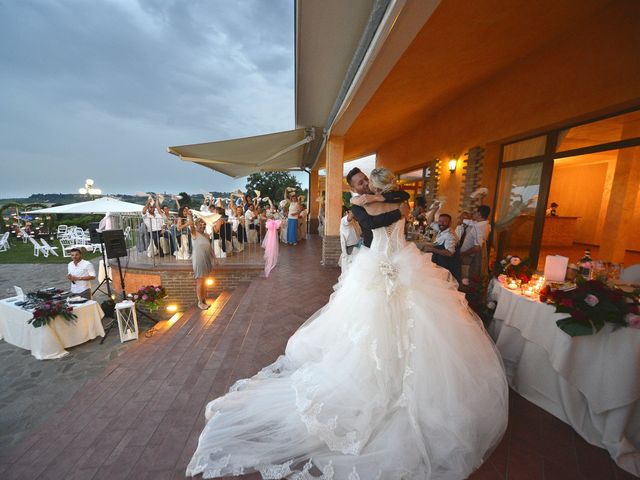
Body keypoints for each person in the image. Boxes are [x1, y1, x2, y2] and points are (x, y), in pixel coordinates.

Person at [186, 168, 508, 480]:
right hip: (380, 263)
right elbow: (372, 225)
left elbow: (392, 205)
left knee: (414, 327)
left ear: (375, 182)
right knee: (372, 329)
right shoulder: (366, 203)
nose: (364, 184)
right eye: (358, 182)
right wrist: (373, 204)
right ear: (357, 187)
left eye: (366, 180)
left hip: (400, 263)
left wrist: (378, 201)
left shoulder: (391, 197)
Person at [347, 167, 410, 247]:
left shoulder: (386, 194)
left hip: (399, 247)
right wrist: (398, 213)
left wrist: (377, 197)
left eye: (366, 178)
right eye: (361, 183)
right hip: (372, 250)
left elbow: (405, 195)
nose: (366, 183)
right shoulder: (357, 207)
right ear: (353, 190)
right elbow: (371, 223)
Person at [421, 210, 460, 281]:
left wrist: (432, 249)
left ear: (450, 223)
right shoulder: (441, 229)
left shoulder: (450, 236)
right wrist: (434, 209)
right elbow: (430, 222)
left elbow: (450, 253)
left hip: (444, 267)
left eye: (444, 221)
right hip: (438, 262)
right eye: (440, 221)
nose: (441, 223)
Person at [188, 212, 214, 310]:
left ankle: (204, 300)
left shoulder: (207, 235)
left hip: (207, 259)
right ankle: (200, 302)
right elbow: (191, 225)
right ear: (197, 225)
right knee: (200, 280)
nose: (202, 226)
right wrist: (190, 216)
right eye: (200, 224)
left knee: (205, 281)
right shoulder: (195, 234)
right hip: (199, 259)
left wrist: (215, 259)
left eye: (204, 224)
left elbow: (210, 248)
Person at [460, 205, 492, 281]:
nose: (473, 214)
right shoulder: (482, 224)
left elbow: (477, 248)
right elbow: (465, 220)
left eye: (475, 212)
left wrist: (462, 254)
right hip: (467, 254)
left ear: (479, 214)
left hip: (468, 255)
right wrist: (464, 213)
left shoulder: (479, 227)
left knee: (464, 277)